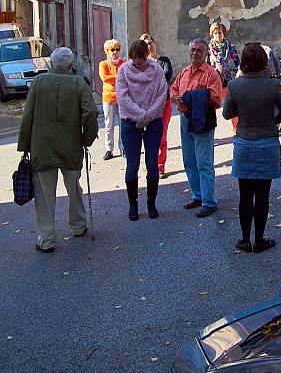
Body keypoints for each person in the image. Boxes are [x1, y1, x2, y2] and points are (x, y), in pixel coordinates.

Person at [18, 47, 99, 253]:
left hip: (42, 146)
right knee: (73, 188)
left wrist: (24, 145)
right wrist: (86, 139)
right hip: (70, 146)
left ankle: (46, 239)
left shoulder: (38, 82)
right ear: (71, 64)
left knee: (44, 194)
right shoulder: (78, 82)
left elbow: (27, 115)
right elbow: (90, 112)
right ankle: (78, 225)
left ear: (52, 64)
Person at [223, 43, 281, 253]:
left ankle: (244, 240)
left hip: (244, 139)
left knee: (245, 194)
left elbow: (227, 113)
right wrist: (272, 120)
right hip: (267, 140)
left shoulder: (235, 85)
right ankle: (260, 239)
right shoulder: (272, 85)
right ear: (263, 61)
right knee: (262, 194)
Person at [115, 40, 168, 221]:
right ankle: (133, 205)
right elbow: (122, 97)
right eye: (134, 58)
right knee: (132, 165)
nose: (136, 61)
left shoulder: (157, 70)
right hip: (130, 122)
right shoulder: (124, 70)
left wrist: (149, 115)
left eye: (140, 58)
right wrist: (140, 115)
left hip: (153, 121)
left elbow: (163, 94)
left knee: (152, 162)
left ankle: (151, 203)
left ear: (146, 55)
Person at [170, 38, 223, 217]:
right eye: (192, 50)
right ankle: (197, 195)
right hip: (185, 118)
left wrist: (192, 98)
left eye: (199, 50)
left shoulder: (211, 74)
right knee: (189, 160)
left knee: (204, 162)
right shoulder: (184, 72)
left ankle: (209, 201)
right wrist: (176, 97)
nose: (195, 53)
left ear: (206, 53)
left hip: (203, 120)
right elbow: (173, 89)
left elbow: (216, 98)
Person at [140, 33, 173, 179]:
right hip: (145, 106)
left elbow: (166, 75)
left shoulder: (163, 60)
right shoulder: (138, 63)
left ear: (154, 44)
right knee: (147, 137)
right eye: (144, 44)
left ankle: (160, 166)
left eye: (150, 42)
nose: (148, 46)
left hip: (163, 104)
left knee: (161, 135)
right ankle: (150, 165)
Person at [208, 22, 240, 131]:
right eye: (215, 33)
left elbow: (236, 60)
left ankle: (236, 127)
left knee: (231, 102)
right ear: (212, 34)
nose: (218, 35)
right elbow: (206, 64)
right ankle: (209, 129)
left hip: (226, 78)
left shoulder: (229, 46)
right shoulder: (209, 48)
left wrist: (240, 71)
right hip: (212, 79)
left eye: (220, 33)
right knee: (210, 105)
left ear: (224, 33)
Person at [99, 39, 123, 160]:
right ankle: (109, 149)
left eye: (117, 49)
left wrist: (116, 77)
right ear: (107, 51)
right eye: (112, 50)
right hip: (108, 97)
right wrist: (117, 77)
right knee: (109, 124)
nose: (115, 52)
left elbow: (125, 77)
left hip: (122, 97)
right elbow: (105, 78)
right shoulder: (103, 64)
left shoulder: (123, 63)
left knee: (122, 123)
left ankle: (123, 147)